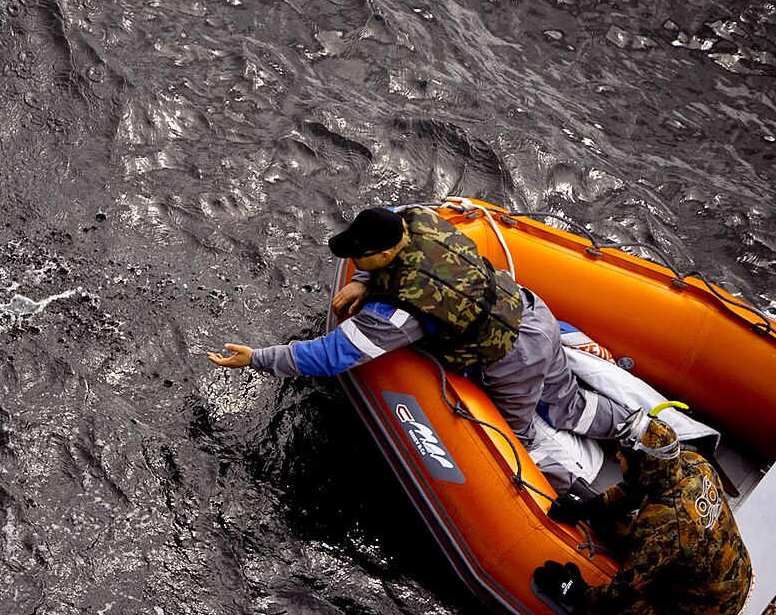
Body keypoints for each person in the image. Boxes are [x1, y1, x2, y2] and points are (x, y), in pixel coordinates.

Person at [206, 204, 631, 491]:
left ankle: (575, 494)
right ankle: (639, 430)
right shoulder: (418, 220)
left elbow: (330, 355)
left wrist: (256, 358)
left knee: (519, 440)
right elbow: (390, 218)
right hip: (532, 313)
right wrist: (364, 279)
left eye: (362, 258)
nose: (353, 261)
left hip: (512, 358)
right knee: (568, 405)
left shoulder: (400, 312)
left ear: (388, 251)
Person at [535, 406, 752, 615]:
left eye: (623, 455)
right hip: (712, 579)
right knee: (606, 518)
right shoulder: (692, 464)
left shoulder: (665, 525)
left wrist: (579, 592)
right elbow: (636, 488)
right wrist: (585, 509)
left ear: (643, 463)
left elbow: (621, 594)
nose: (615, 457)